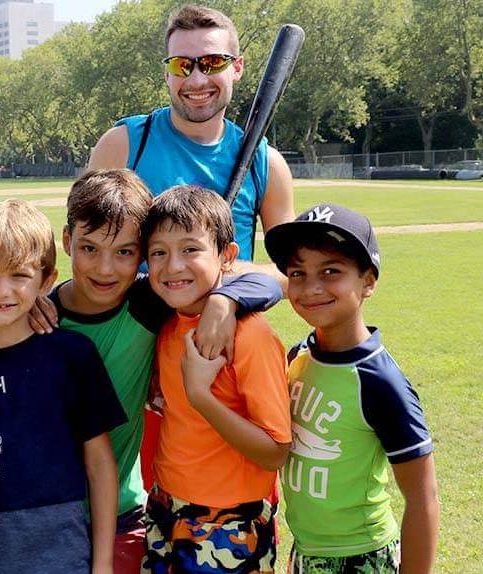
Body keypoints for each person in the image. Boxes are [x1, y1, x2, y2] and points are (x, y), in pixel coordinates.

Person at [47, 169, 283, 573]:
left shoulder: (148, 303)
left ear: (139, 254)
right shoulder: (40, 318)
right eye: (89, 248)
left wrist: (225, 300)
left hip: (132, 514)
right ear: (67, 241)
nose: (106, 269)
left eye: (124, 252)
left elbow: (277, 280)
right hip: (51, 516)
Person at [0, 199, 127, 574]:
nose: (1, 290)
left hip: (65, 555)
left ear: (47, 279)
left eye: (19, 275)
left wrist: (102, 566)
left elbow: (100, 465)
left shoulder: (72, 356)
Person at [264, 204, 439, 573]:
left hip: (362, 557)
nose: (311, 288)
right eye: (298, 273)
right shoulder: (299, 355)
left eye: (331, 271)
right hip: (307, 550)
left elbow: (423, 499)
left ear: (368, 281)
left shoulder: (379, 382)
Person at [141, 185, 292, 573]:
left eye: (190, 249)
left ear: (227, 256)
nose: (173, 265)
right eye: (159, 252)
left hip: (229, 520)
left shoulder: (250, 336)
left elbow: (275, 451)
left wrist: (201, 396)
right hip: (165, 503)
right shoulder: (168, 324)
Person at [88, 4, 294, 264]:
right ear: (166, 73)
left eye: (213, 62)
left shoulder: (265, 163)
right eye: (182, 65)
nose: (197, 80)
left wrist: (237, 278)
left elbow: (294, 274)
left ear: (237, 68)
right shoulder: (122, 145)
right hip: (138, 306)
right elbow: (87, 251)